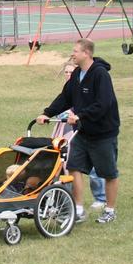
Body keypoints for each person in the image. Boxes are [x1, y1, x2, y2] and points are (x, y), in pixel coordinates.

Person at [37, 39, 120, 224]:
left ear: (87, 53)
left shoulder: (100, 74)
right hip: (82, 133)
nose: (72, 54)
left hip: (103, 133)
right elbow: (65, 97)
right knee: (74, 167)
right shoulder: (76, 74)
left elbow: (104, 104)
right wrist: (46, 113)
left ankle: (110, 209)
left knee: (108, 173)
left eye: (75, 51)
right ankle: (79, 209)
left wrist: (81, 116)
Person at [47, 62, 108, 211]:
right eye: (66, 72)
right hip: (65, 129)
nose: (68, 75)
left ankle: (101, 198)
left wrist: (76, 115)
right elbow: (60, 103)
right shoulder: (68, 89)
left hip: (85, 129)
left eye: (71, 72)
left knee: (92, 165)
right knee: (65, 163)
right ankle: (67, 198)